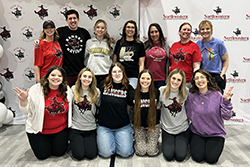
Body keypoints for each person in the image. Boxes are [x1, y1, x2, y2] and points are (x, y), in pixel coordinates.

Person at [13, 65, 73, 160]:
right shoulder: (36, 89)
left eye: (59, 76)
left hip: (60, 130)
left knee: (59, 153)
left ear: (63, 78)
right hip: (39, 131)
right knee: (42, 156)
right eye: (53, 75)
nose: (56, 78)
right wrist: (24, 101)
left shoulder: (67, 90)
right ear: (47, 76)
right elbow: (26, 110)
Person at [185, 69, 233, 164]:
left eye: (202, 77)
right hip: (197, 132)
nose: (199, 80)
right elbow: (188, 113)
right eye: (197, 78)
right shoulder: (191, 96)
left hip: (216, 133)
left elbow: (227, 116)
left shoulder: (217, 94)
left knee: (211, 159)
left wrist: (226, 101)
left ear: (207, 80)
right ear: (194, 82)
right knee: (198, 158)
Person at [34, 9, 91, 87]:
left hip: (80, 73)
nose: (72, 20)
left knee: (78, 97)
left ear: (78, 19)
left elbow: (93, 45)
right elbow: (48, 36)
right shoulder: (61, 32)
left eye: (74, 18)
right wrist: (38, 42)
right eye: (70, 18)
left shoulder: (85, 33)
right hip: (64, 73)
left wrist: (107, 39)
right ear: (66, 20)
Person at [97, 62, 134, 158]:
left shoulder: (128, 88)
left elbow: (130, 105)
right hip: (104, 126)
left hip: (122, 126)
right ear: (110, 73)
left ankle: (120, 139)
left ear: (123, 73)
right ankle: (110, 140)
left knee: (125, 153)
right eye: (114, 72)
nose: (117, 74)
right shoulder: (103, 85)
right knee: (106, 154)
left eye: (119, 71)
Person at [157, 68, 189, 161]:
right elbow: (158, 107)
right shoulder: (161, 90)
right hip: (167, 129)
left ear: (182, 81)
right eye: (173, 78)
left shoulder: (186, 91)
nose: (175, 81)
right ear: (169, 78)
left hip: (182, 128)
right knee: (169, 156)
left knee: (180, 156)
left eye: (179, 80)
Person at [69, 68, 100, 160]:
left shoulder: (96, 92)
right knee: (79, 155)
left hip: (91, 128)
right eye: (84, 76)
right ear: (80, 78)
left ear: (92, 79)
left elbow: (99, 108)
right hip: (76, 128)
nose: (87, 79)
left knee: (91, 155)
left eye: (90, 77)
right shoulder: (73, 89)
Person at [129, 69, 160, 156]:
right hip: (139, 125)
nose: (145, 81)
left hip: (153, 125)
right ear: (139, 79)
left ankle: (152, 141)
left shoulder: (156, 92)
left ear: (151, 80)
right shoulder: (132, 94)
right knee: (141, 151)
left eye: (148, 79)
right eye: (143, 78)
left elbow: (159, 107)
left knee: (151, 152)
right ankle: (138, 140)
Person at [196, 20, 229, 93]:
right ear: (200, 31)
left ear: (211, 30)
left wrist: (222, 73)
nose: (205, 31)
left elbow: (226, 60)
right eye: (202, 29)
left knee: (217, 101)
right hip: (203, 76)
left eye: (207, 28)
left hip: (216, 76)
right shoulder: (198, 44)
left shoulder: (219, 43)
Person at [113, 20, 146, 89]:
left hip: (133, 76)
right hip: (119, 76)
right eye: (128, 27)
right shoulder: (119, 43)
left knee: (131, 96)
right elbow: (114, 61)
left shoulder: (139, 45)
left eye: (132, 27)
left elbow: (141, 64)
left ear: (135, 30)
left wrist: (141, 77)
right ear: (125, 29)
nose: (130, 29)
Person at [169, 22, 202, 88]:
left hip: (186, 81)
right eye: (184, 29)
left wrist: (195, 80)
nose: (186, 31)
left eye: (188, 30)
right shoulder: (174, 45)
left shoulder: (194, 46)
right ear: (179, 32)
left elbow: (196, 67)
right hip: (173, 80)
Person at [84, 19, 113, 85]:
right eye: (98, 27)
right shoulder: (89, 42)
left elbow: (111, 58)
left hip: (105, 73)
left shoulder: (109, 43)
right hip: (92, 73)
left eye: (102, 28)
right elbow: (85, 57)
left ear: (105, 29)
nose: (100, 30)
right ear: (94, 28)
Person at [144, 23, 170, 89]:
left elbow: (169, 62)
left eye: (156, 31)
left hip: (162, 79)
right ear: (149, 34)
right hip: (147, 79)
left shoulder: (166, 46)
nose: (154, 34)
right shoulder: (145, 45)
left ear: (160, 32)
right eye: (152, 32)